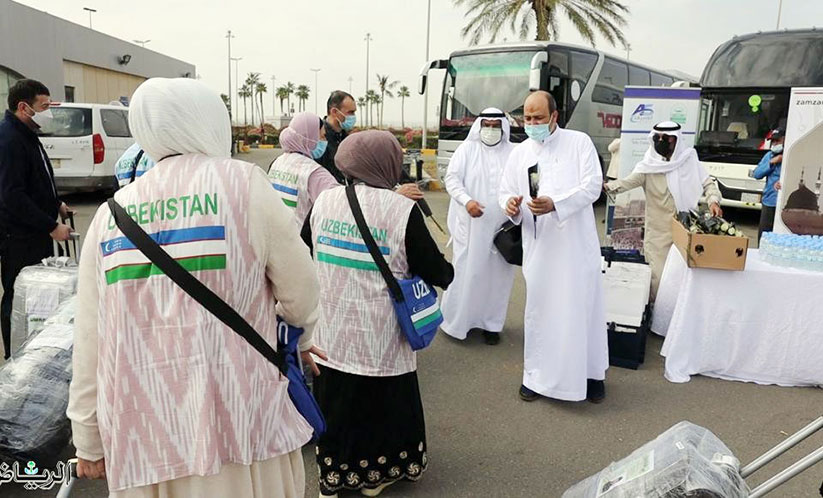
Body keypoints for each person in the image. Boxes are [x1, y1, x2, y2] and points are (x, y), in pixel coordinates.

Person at [66, 78, 324, 497]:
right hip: (241, 417)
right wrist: (302, 336)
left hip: (147, 428)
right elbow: (301, 289)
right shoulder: (245, 185)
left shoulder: (111, 214)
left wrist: (87, 437)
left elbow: (92, 337)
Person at [301, 131, 453, 497]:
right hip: (380, 334)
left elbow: (305, 248)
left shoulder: (325, 200)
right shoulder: (401, 210)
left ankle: (335, 476)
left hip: (332, 331)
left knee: (336, 404)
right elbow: (438, 272)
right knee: (383, 405)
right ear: (387, 164)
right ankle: (377, 476)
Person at [499, 91, 607, 404]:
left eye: (538, 118)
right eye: (527, 118)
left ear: (554, 117)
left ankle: (590, 375)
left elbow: (592, 186)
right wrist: (510, 205)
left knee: (581, 310)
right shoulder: (520, 153)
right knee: (541, 313)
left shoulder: (579, 142)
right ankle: (536, 377)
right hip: (540, 248)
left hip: (576, 248)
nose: (531, 123)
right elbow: (505, 191)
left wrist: (556, 204)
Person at [605, 121, 722, 299]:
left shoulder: (689, 160)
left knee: (684, 279)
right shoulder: (648, 167)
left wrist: (713, 201)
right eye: (657, 137)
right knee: (658, 279)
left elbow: (708, 184)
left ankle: (680, 314)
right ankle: (656, 315)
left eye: (666, 138)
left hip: (686, 230)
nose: (660, 141)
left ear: (676, 139)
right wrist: (606, 186)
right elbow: (626, 183)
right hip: (658, 234)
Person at [0, 79, 73, 360]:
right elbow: (12, 195)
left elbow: (36, 180)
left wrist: (57, 204)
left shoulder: (27, 134)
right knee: (18, 293)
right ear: (23, 107)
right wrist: (51, 226)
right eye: (44, 106)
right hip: (18, 236)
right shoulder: (9, 139)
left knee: (35, 294)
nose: (49, 113)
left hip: (34, 232)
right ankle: (15, 356)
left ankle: (33, 350)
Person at [441, 108, 516, 345]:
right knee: (467, 273)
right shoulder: (467, 149)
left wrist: (515, 205)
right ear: (479, 126)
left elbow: (520, 184)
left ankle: (491, 325)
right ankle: (456, 323)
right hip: (471, 225)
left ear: (503, 128)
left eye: (496, 126)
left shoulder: (514, 153)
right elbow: (452, 179)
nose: (491, 130)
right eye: (487, 125)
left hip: (502, 228)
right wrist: (467, 201)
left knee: (498, 278)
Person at [268, 111, 340, 227]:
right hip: (300, 237)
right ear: (310, 138)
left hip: (277, 231)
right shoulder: (315, 174)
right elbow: (338, 208)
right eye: (322, 136)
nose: (324, 141)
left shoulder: (278, 162)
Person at [318, 90, 357, 183]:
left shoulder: (348, 138)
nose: (353, 116)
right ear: (334, 112)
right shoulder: (319, 139)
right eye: (350, 112)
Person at [753, 128, 784, 241]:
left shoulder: (791, 155)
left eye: (777, 141)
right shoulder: (769, 156)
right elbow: (757, 174)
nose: (774, 144)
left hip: (785, 204)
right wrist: (771, 163)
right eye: (773, 141)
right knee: (764, 237)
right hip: (769, 201)